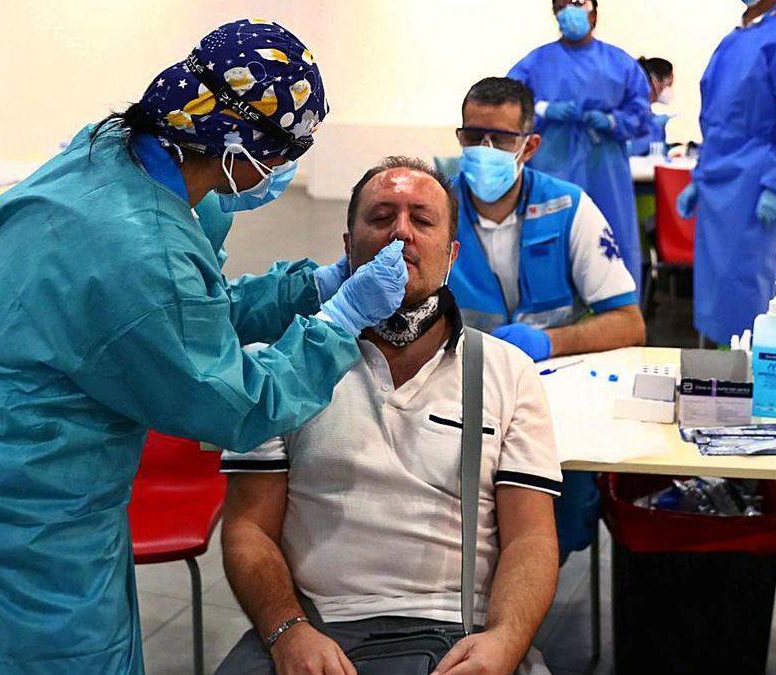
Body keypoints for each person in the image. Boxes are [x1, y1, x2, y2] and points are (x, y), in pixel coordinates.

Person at [0, 20, 407, 674]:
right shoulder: (145, 247)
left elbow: (171, 322)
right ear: (243, 145)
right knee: (68, 657)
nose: (282, 171)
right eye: (284, 152)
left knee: (10, 649)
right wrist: (342, 317)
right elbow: (240, 403)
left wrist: (308, 288)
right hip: (40, 495)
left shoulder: (106, 153)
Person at [215, 157, 561, 675]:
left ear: (451, 255)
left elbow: (531, 538)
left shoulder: (506, 372)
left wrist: (505, 642)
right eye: (380, 218)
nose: (401, 233)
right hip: (316, 625)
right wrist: (288, 631)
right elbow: (248, 528)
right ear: (348, 247)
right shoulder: (282, 367)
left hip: (459, 630)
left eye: (422, 220)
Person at [448, 76, 645, 562]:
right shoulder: (434, 209)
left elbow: (628, 322)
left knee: (564, 519)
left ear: (530, 145)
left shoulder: (569, 206)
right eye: (473, 136)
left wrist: (548, 341)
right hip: (456, 388)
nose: (485, 149)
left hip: (549, 395)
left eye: (501, 139)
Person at [677, 0, 776, 345]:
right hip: (717, 185)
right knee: (713, 297)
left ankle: (748, 382)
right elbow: (716, 118)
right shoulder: (735, 39)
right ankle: (716, 378)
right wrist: (700, 177)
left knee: (743, 295)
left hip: (754, 186)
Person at [508, 0, 652, 288]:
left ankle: (617, 317)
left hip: (605, 177)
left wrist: (612, 122)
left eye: (575, 2)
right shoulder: (535, 64)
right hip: (551, 172)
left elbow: (641, 116)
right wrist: (543, 109)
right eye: (561, 5)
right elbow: (508, 107)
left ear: (594, 13)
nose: (568, 10)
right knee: (551, 245)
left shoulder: (621, 64)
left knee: (610, 246)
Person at [627, 56, 675, 157]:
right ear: (655, 81)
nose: (669, 89)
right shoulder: (630, 106)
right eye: (668, 84)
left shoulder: (649, 115)